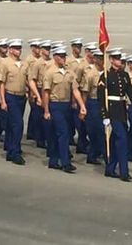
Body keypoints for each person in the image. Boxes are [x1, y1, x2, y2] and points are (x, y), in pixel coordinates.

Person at [98, 48, 132, 182]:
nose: (119, 61)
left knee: (115, 141)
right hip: (112, 111)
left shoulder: (124, 75)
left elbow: (131, 93)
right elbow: (101, 97)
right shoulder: (105, 75)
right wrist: (105, 116)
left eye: (120, 59)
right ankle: (124, 172)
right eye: (116, 59)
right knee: (122, 140)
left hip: (122, 110)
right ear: (111, 60)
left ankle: (110, 169)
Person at [43, 45, 86, 173]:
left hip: (66, 106)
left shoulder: (69, 72)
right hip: (55, 105)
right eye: (61, 56)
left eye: (64, 56)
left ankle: (53, 160)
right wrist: (46, 110)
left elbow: (75, 90)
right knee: (63, 133)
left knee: (59, 133)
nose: (63, 59)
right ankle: (66, 162)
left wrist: (82, 106)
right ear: (55, 57)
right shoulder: (50, 72)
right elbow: (46, 92)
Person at [0, 39, 28, 165]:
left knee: (12, 125)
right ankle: (15, 152)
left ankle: (10, 150)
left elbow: (27, 80)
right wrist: (2, 101)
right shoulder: (5, 63)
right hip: (11, 96)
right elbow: (1, 83)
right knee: (18, 125)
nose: (18, 50)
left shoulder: (23, 63)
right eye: (16, 48)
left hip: (21, 97)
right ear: (10, 49)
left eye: (19, 48)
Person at [80, 49, 104, 165]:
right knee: (96, 130)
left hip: (104, 103)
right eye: (99, 58)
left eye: (102, 58)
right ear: (94, 59)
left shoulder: (107, 73)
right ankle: (93, 154)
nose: (101, 60)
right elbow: (85, 92)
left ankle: (100, 152)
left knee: (104, 129)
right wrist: (83, 108)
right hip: (93, 103)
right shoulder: (90, 74)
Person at [28, 40, 53, 148]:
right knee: (38, 116)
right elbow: (32, 79)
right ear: (42, 50)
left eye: (49, 49)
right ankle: (40, 139)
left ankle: (47, 137)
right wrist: (35, 94)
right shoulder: (37, 63)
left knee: (47, 116)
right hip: (40, 88)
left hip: (50, 90)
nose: (48, 51)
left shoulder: (52, 62)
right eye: (46, 49)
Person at [66, 37, 89, 153]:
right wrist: (73, 100)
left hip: (83, 93)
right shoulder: (68, 61)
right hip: (73, 92)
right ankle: (72, 139)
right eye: (76, 47)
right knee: (73, 120)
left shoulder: (84, 61)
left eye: (80, 47)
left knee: (80, 121)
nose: (78, 49)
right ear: (72, 47)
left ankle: (82, 142)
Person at [25, 39, 41, 141]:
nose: (38, 49)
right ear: (32, 48)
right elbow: (27, 77)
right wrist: (30, 90)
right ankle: (33, 132)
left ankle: (32, 132)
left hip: (39, 88)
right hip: (31, 88)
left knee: (35, 111)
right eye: (36, 47)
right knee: (35, 111)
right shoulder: (29, 60)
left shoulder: (41, 60)